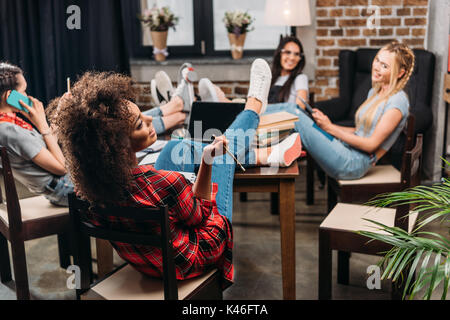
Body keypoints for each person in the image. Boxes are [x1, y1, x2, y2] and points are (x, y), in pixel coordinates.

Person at [54, 59, 302, 287]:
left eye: (143, 115)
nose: (151, 121)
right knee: (222, 153)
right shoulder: (165, 184)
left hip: (146, 263)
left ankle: (262, 153)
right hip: (192, 259)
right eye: (141, 124)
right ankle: (253, 109)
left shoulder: (88, 188)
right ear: (117, 145)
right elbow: (202, 214)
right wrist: (207, 162)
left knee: (176, 146)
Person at [266, 41, 415, 180]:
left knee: (294, 112)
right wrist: (328, 125)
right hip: (345, 150)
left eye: (385, 66)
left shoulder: (398, 101)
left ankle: (250, 112)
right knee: (296, 120)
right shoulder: (375, 92)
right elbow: (359, 131)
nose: (376, 67)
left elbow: (371, 144)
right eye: (377, 60)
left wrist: (331, 129)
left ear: (400, 73)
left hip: (354, 163)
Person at [0, 62, 73, 206]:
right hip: (63, 189)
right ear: (9, 95)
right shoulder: (10, 131)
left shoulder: (9, 123)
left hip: (59, 187)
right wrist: (42, 124)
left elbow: (46, 144)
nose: (26, 95)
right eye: (23, 91)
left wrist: (61, 109)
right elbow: (61, 168)